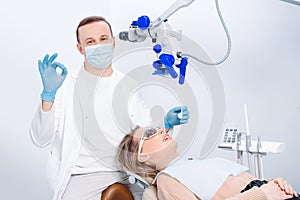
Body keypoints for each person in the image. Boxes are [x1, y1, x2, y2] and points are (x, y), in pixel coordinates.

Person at [30, 16, 190, 200]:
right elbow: (40, 138)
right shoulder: (64, 86)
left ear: (113, 42)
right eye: (90, 41)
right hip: (82, 177)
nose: (98, 45)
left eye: (103, 39)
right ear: (80, 49)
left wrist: (165, 123)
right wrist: (48, 96)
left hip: (125, 174)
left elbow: (142, 135)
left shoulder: (127, 85)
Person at [117, 126, 299, 200]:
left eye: (157, 128)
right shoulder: (166, 179)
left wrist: (274, 183)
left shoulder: (191, 165)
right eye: (150, 133)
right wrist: (261, 193)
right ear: (142, 157)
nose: (161, 130)